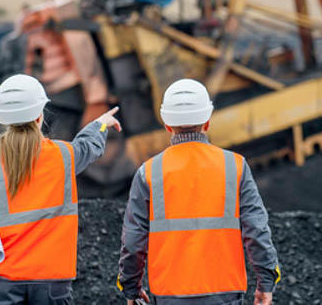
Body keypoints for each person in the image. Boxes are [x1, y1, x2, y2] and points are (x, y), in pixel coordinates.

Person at [0, 74, 121, 305]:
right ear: (40, 116)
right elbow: (88, 147)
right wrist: (100, 124)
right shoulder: (63, 156)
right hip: (50, 280)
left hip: (0, 280)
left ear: (3, 118)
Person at [117, 78, 280, 305]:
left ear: (166, 125)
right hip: (224, 293)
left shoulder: (149, 173)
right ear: (207, 122)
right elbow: (257, 231)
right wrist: (265, 283)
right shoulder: (235, 166)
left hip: (169, 295)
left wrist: (131, 289)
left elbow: (134, 242)